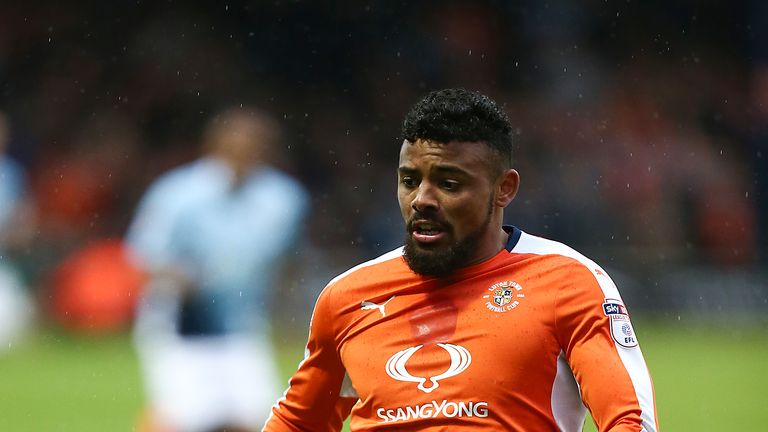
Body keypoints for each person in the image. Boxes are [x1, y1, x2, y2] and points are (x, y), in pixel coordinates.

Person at [263, 88, 658, 431]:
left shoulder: (566, 281)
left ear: (504, 189)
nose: (422, 200)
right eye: (409, 180)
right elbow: (299, 423)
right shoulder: (348, 297)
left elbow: (629, 419)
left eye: (449, 184)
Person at [126, 106, 309, 432]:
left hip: (242, 318)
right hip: (183, 318)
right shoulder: (178, 194)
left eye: (253, 147)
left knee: (257, 418)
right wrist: (184, 280)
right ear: (214, 146)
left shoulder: (283, 198)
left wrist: (287, 312)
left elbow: (287, 263)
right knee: (185, 417)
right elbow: (144, 258)